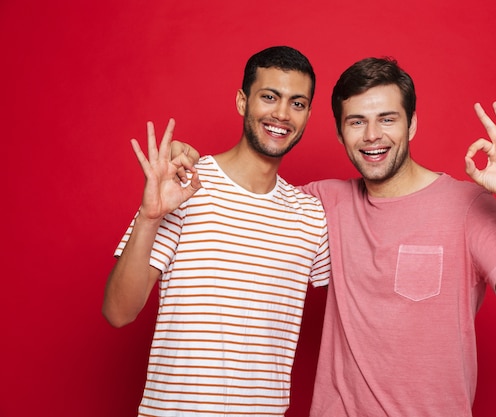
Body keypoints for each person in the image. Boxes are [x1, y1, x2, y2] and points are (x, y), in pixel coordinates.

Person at [175, 57, 496, 416]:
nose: (372, 136)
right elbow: (249, 198)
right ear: (340, 132)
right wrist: (190, 162)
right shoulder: (322, 203)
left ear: (411, 123)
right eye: (357, 121)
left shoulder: (467, 206)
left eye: (388, 119)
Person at [102, 46, 331, 416]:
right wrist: (149, 216)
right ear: (243, 101)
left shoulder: (310, 216)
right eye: (269, 97)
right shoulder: (185, 185)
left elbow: (367, 298)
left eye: (298, 103)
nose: (282, 114)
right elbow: (118, 312)